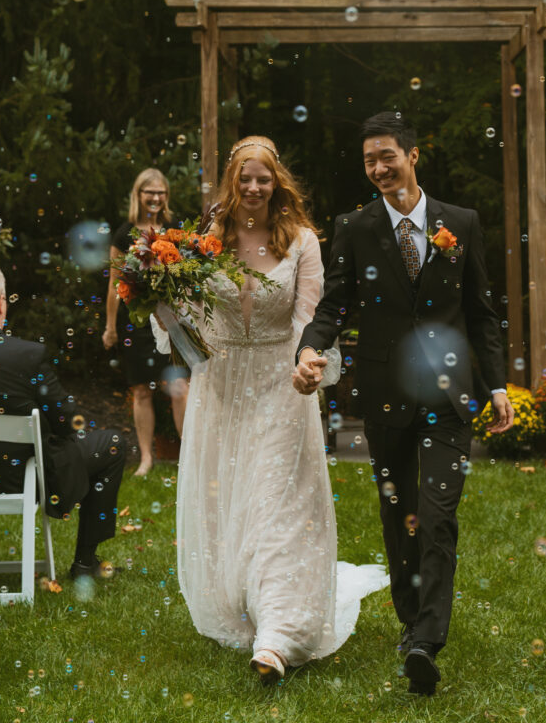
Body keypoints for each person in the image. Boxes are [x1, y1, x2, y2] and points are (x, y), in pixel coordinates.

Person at [294, 111, 514, 696]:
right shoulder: (355, 227)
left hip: (449, 393)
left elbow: (482, 313)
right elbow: (334, 305)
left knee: (438, 515)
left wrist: (496, 386)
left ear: (414, 156)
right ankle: (409, 616)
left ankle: (425, 640)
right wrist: (312, 349)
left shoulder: (460, 223)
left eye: (387, 156)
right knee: (400, 515)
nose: (378, 168)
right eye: (369, 160)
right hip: (386, 395)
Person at [154, 136, 387, 684]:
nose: (253, 187)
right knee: (233, 497)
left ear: (276, 183)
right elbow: (185, 316)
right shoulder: (203, 245)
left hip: (283, 384)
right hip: (222, 385)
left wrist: (310, 365)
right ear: (231, 185)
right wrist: (158, 298)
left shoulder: (302, 240)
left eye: (263, 178)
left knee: (278, 502)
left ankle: (279, 633)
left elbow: (314, 315)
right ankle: (243, 600)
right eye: (244, 178)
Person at [0, 264, 126, 580]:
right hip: (25, 479)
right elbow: (67, 422)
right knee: (113, 444)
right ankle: (85, 564)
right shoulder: (26, 355)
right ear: (1, 303)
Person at [102, 168, 188, 476]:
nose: (155, 197)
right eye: (149, 191)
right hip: (136, 321)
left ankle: (188, 455)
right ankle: (147, 458)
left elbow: (189, 275)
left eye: (160, 192)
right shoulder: (123, 233)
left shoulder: (175, 229)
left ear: (167, 196)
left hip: (171, 319)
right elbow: (114, 283)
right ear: (138, 195)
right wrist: (110, 326)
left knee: (179, 386)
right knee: (142, 390)